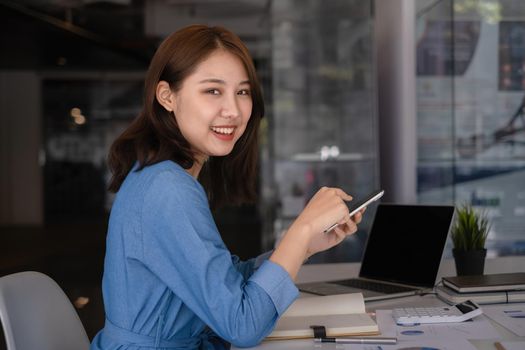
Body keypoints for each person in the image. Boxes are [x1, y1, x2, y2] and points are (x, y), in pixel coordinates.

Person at [90, 24, 363, 350]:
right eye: (213, 91)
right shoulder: (167, 190)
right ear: (167, 96)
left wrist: (303, 246)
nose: (233, 110)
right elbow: (242, 324)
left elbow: (223, 283)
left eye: (243, 92)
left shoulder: (157, 176)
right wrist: (300, 230)